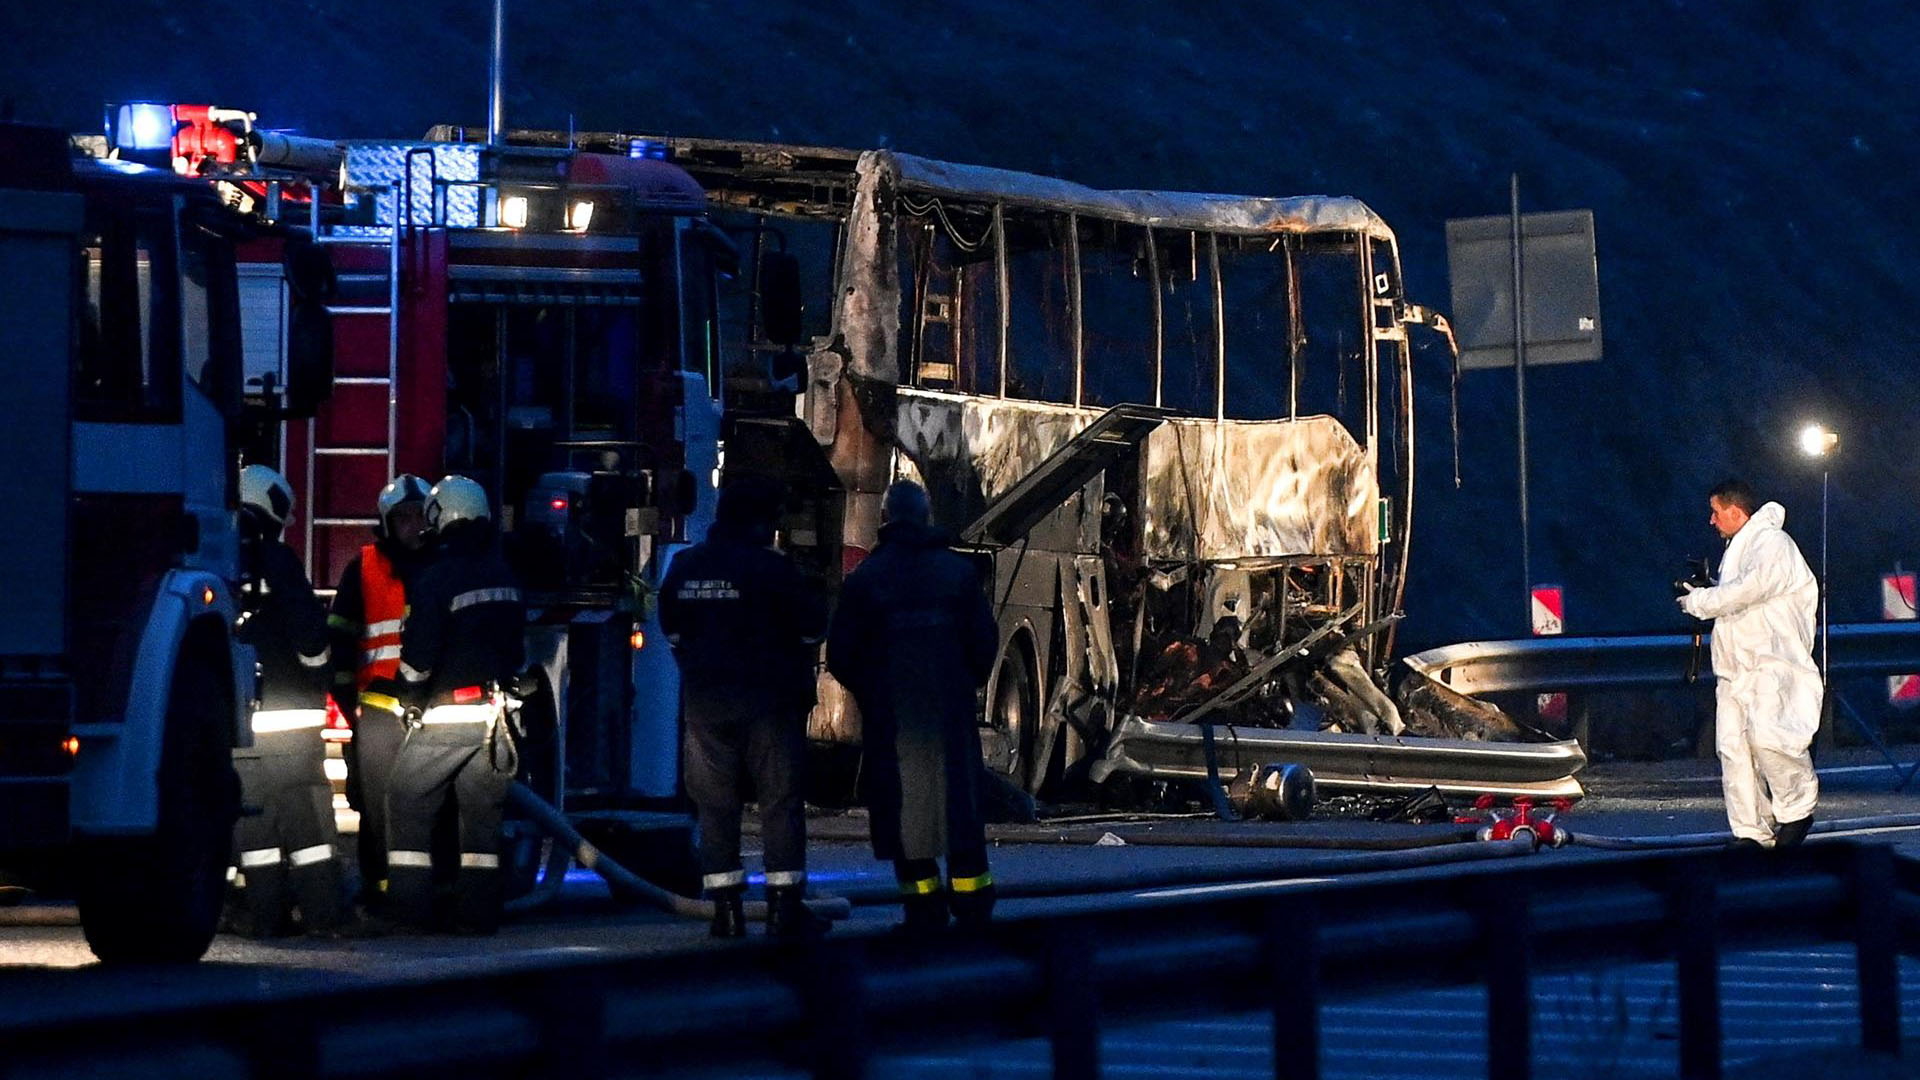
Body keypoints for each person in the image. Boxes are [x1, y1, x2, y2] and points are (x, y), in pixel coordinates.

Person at [826, 480, 1000, 934]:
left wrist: (872, 695)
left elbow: (842, 653)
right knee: (959, 812)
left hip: (892, 721)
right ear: (926, 518)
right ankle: (974, 904)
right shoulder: (957, 574)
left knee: (905, 815)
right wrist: (962, 686)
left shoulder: (865, 580)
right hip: (949, 717)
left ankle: (922, 909)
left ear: (885, 520)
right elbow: (984, 642)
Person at [660, 476, 829, 938]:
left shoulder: (686, 567)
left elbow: (671, 630)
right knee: (779, 803)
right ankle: (783, 909)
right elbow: (813, 629)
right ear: (761, 523)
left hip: (706, 704)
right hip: (769, 703)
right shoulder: (774, 570)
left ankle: (726, 913)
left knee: (714, 806)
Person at [387, 475, 526, 933]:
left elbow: (418, 659)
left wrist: (408, 699)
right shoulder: (504, 573)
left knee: (406, 798)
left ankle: (409, 912)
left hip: (447, 715)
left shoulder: (438, 576)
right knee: (482, 822)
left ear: (441, 514)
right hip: (498, 718)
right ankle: (479, 914)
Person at [229, 464, 347, 936]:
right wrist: (321, 673)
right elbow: (308, 632)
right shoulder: (278, 559)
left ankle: (264, 916)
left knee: (253, 825)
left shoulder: (218, 558)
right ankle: (325, 916)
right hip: (291, 717)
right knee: (308, 823)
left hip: (240, 721)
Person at [1677, 478, 1821, 849]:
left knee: (1774, 741)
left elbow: (1750, 590)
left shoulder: (1773, 544)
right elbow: (1739, 597)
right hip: (1736, 671)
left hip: (1773, 664)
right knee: (1734, 750)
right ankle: (1751, 832)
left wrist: (1702, 602)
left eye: (1716, 512)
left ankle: (1796, 813)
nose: (1712, 521)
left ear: (1735, 511)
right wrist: (1706, 591)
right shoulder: (1739, 550)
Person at [327, 474, 433, 909]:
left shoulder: (443, 566)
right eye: (402, 518)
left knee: (427, 805)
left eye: (418, 517)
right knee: (375, 806)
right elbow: (340, 638)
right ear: (387, 523)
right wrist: (349, 709)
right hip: (377, 712)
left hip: (430, 709)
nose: (412, 526)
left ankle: (421, 890)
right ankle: (380, 890)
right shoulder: (364, 567)